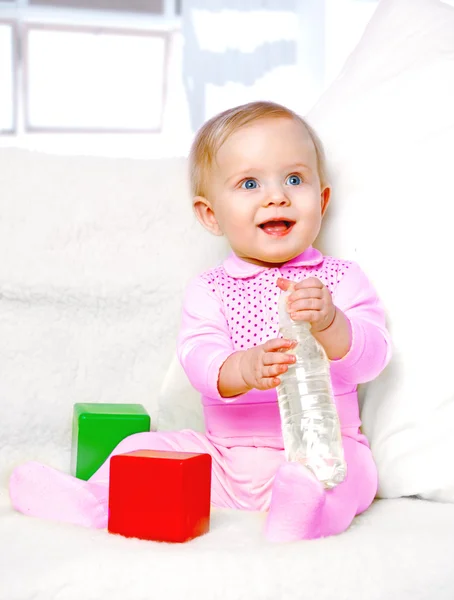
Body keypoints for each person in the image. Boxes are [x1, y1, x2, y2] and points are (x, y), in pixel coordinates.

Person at [9, 101, 391, 542]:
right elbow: (199, 358)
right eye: (249, 183)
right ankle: (94, 500)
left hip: (323, 450)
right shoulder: (211, 289)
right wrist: (244, 367)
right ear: (211, 215)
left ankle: (306, 516)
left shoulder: (339, 280)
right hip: (225, 461)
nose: (276, 196)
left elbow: (373, 357)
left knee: (355, 475)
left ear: (321, 200)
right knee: (142, 446)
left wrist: (331, 324)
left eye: (294, 178)